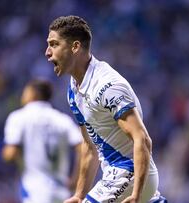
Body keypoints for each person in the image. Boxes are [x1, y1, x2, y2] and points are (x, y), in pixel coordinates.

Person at [45, 15, 167, 203]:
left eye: (54, 44)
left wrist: (136, 194)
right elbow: (89, 146)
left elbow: (142, 139)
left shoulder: (107, 86)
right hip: (115, 174)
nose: (47, 52)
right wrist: (79, 195)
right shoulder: (74, 88)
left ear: (75, 47)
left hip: (131, 171)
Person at [2, 79, 83, 203]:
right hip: (61, 190)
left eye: (25, 92)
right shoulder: (62, 119)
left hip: (35, 189)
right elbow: (83, 147)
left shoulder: (18, 117)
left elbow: (10, 153)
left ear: (32, 94)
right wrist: (76, 179)